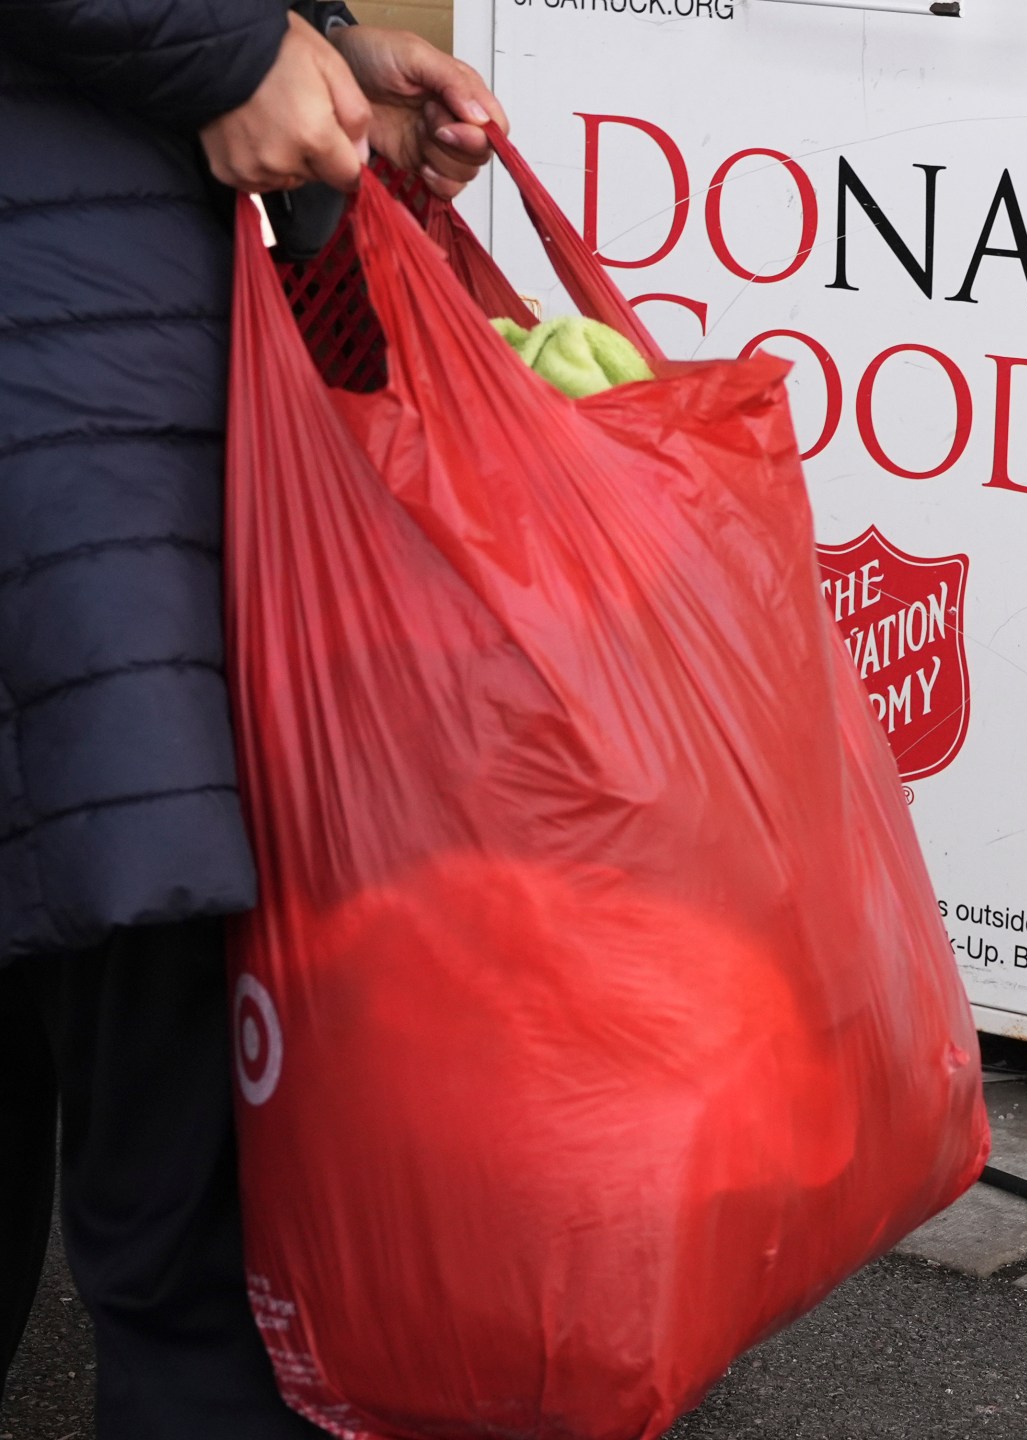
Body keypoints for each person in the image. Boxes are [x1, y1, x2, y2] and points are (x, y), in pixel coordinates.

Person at [0, 4, 504, 1432]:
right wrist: (223, 48)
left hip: (81, 368)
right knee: (190, 1228)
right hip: (78, 441)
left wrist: (320, 44)